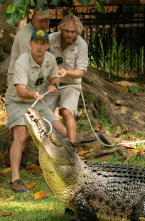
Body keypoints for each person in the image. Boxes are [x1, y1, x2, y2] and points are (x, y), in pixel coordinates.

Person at [5, 29, 67, 192]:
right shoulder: (22, 61)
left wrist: (53, 85)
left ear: (47, 45)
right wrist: (32, 94)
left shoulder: (50, 59)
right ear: (30, 44)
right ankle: (15, 180)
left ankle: (62, 171)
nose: (39, 47)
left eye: (42, 43)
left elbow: (54, 78)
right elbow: (20, 90)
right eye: (36, 43)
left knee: (61, 130)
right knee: (20, 133)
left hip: (37, 100)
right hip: (17, 101)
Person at [44, 14, 88, 143]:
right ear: (61, 30)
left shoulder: (82, 45)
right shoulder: (51, 39)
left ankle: (72, 150)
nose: (70, 35)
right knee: (43, 115)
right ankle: (49, 146)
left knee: (67, 112)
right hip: (51, 84)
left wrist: (66, 72)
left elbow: (80, 72)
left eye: (73, 32)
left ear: (78, 31)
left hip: (70, 85)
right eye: (67, 31)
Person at [7, 8, 51, 86]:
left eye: (47, 21)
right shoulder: (27, 36)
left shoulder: (37, 32)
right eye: (41, 21)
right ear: (33, 19)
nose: (44, 25)